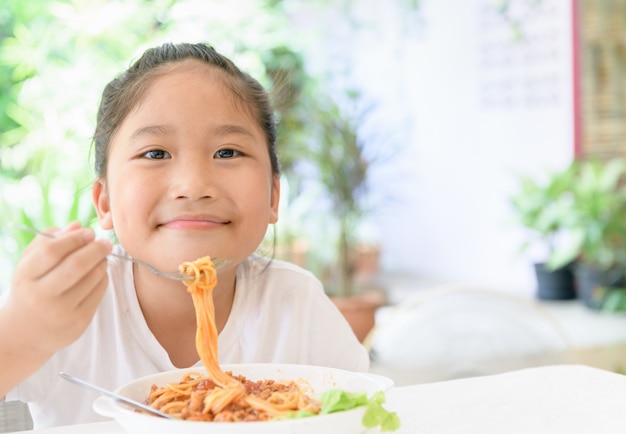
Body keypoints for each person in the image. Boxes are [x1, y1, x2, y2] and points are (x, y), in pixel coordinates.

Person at [0, 42, 369, 429]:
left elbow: (363, 414)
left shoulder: (297, 304)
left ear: (274, 196)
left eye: (227, 152)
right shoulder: (68, 305)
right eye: (155, 153)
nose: (193, 187)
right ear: (104, 201)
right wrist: (27, 331)